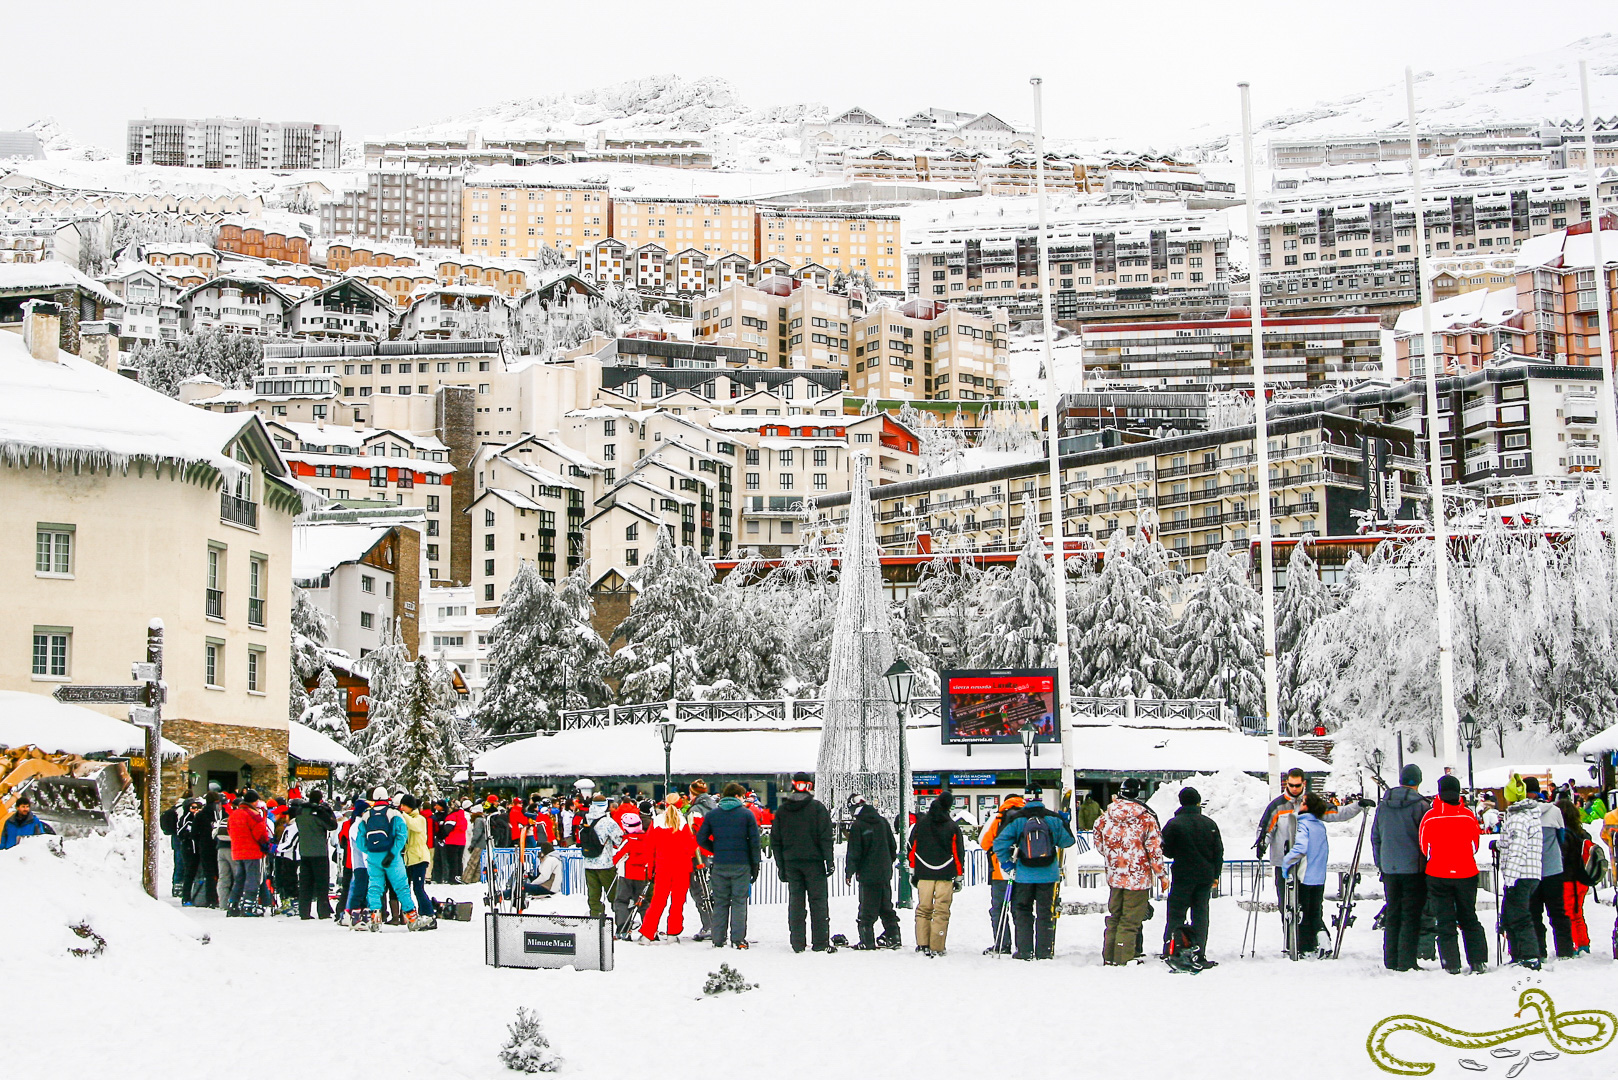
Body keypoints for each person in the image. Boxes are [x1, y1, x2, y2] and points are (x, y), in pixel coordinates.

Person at [1257, 767, 1370, 936]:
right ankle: (1291, 941)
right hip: (1284, 863)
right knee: (1286, 905)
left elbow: (1337, 813)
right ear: (1286, 783)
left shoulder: (1311, 803)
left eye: (1297, 785)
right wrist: (1262, 844)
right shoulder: (1277, 806)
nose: (1294, 789)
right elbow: (1266, 828)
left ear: (1303, 783)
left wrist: (1358, 806)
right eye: (1291, 785)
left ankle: (1310, 941)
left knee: (1309, 906)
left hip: (1306, 864)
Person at [992, 785, 1077, 960]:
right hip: (1049, 874)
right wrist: (1065, 822)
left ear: (1026, 798)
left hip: (1024, 875)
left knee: (1023, 910)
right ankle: (1044, 951)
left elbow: (999, 844)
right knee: (1045, 912)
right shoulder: (1052, 818)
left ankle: (1024, 950)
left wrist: (1008, 865)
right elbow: (1067, 842)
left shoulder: (1017, 819)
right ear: (1041, 797)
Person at [1092, 777, 1168, 966]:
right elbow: (1155, 850)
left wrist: (1115, 860)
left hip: (1115, 876)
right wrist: (1161, 875)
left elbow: (1099, 844)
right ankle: (1123, 957)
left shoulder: (1105, 817)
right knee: (1130, 920)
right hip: (1138, 878)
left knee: (1114, 917)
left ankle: (1109, 955)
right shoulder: (1146, 818)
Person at [1419, 774, 1488, 974]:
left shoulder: (1430, 817)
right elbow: (1475, 845)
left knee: (1445, 920)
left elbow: (1425, 848)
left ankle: (1451, 963)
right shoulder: (1467, 815)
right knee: (1469, 917)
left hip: (1438, 873)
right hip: (1466, 872)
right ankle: (1478, 960)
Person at [1372, 763, 1430, 972]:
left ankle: (1390, 958)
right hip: (1413, 868)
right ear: (1419, 781)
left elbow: (1376, 837)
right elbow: (1425, 839)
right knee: (1411, 914)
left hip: (1389, 868)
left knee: (1393, 911)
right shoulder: (1422, 806)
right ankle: (1406, 960)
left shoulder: (1383, 805)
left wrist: (1381, 862)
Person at [768, 772, 834, 954]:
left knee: (796, 903)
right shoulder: (817, 809)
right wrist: (828, 860)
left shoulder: (783, 811)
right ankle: (820, 942)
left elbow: (776, 841)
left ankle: (797, 942)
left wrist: (781, 866)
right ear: (809, 786)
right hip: (814, 863)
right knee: (818, 902)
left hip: (791, 863)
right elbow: (825, 837)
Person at [1160, 786, 1223, 971]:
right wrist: (1215, 875)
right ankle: (1199, 950)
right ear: (1198, 802)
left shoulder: (1174, 824)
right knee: (1201, 913)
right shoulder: (1209, 824)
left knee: (1176, 913)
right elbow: (1218, 852)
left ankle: (1171, 948)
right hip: (1205, 876)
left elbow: (1168, 851)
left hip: (1183, 875)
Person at [696, 781, 763, 950]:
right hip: (741, 864)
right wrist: (755, 865)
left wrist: (715, 849)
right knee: (739, 902)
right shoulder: (746, 815)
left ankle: (718, 939)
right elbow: (755, 842)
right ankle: (738, 939)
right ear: (737, 796)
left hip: (720, 864)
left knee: (720, 902)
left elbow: (701, 838)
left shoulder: (713, 815)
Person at [907, 791, 965, 957]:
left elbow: (912, 848)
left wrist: (913, 870)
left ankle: (922, 944)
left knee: (923, 910)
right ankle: (937, 946)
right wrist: (959, 877)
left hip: (923, 874)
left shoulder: (921, 823)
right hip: (945, 876)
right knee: (941, 911)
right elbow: (958, 854)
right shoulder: (952, 826)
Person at [1522, 777, 1573, 961]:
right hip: (1553, 868)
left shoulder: (1520, 814)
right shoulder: (1554, 810)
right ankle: (1565, 951)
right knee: (1558, 912)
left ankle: (1539, 951)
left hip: (1530, 870)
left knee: (1534, 914)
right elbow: (1561, 837)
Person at [844, 793, 901, 951]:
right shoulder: (882, 822)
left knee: (867, 909)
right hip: (884, 873)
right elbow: (892, 847)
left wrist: (850, 872)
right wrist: (887, 864)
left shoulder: (858, 826)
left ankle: (867, 940)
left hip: (868, 875)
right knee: (886, 906)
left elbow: (854, 852)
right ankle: (894, 936)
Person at [1280, 792, 1334, 958]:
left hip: (1305, 875)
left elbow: (1300, 848)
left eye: (1302, 802)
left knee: (1301, 912)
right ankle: (1323, 940)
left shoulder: (1303, 825)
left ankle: (1303, 947)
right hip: (1319, 875)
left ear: (1307, 806)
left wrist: (1286, 864)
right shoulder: (1319, 825)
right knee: (1316, 912)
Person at [1497, 789, 1544, 968]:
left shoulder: (1518, 819)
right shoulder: (1530, 817)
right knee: (1512, 915)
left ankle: (1529, 955)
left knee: (1519, 916)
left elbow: (1517, 849)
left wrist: (1510, 878)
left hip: (1520, 874)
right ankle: (1519, 953)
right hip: (1531, 872)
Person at [642, 803, 698, 942]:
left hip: (663, 867)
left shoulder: (656, 823)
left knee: (658, 901)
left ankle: (647, 934)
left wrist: (650, 871)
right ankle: (672, 933)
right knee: (677, 902)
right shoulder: (683, 823)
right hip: (682, 868)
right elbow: (691, 847)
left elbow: (649, 848)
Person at [979, 795, 1024, 955]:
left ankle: (1002, 944)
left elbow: (984, 842)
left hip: (1000, 871)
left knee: (999, 909)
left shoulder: (998, 817)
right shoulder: (1026, 817)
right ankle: (1023, 946)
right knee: (1020, 909)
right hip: (1025, 871)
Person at [294, 789, 338, 920]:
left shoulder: (300, 811)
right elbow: (332, 825)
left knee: (305, 883)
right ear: (320, 799)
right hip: (319, 852)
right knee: (322, 883)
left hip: (304, 851)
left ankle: (304, 911)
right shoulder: (319, 812)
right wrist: (328, 812)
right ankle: (323, 911)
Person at [226, 789, 271, 916]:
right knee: (253, 879)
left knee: (239, 879)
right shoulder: (253, 815)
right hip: (252, 852)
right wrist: (266, 846)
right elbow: (261, 834)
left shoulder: (234, 814)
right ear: (255, 801)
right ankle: (249, 906)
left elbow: (229, 830)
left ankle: (233, 904)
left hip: (237, 851)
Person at [1557, 798, 1594, 956]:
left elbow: (1563, 857)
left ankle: (1577, 944)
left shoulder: (1564, 834)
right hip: (1582, 879)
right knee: (1578, 912)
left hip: (1568, 880)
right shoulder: (1583, 833)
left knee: (1569, 913)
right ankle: (1583, 943)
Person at [580, 792, 625, 918]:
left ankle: (596, 918)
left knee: (593, 895)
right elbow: (619, 840)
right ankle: (621, 922)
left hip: (588, 862)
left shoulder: (586, 819)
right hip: (605, 863)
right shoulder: (607, 822)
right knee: (614, 895)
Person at [611, 811, 653, 940]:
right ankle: (650, 929)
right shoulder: (648, 838)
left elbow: (616, 858)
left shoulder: (628, 840)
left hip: (626, 875)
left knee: (621, 901)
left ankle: (623, 929)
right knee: (644, 903)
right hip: (644, 875)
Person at [686, 780, 719, 942]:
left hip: (699, 855)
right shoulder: (715, 807)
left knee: (700, 892)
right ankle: (717, 924)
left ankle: (708, 925)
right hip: (715, 853)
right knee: (712, 891)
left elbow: (692, 835)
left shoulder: (695, 810)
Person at [336, 797, 368, 926]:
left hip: (354, 861)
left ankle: (355, 913)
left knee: (358, 888)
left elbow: (342, 840)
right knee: (357, 888)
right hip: (359, 862)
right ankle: (352, 914)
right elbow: (361, 845)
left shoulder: (352, 824)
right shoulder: (357, 825)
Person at [439, 799, 469, 883]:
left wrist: (441, 836)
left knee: (452, 861)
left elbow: (447, 829)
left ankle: (452, 878)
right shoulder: (462, 816)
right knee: (459, 860)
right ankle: (458, 877)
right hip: (461, 841)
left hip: (452, 841)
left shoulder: (452, 817)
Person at [462, 803, 488, 885]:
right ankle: (475, 878)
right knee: (478, 864)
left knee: (472, 862)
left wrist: (472, 844)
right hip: (484, 844)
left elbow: (477, 833)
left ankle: (466, 878)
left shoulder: (478, 820)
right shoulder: (484, 819)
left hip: (478, 844)